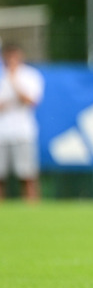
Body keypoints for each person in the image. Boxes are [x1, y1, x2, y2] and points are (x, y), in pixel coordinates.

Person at [0, 41, 44, 202]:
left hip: (23, 133)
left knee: (27, 175)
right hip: (1, 132)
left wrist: (13, 80)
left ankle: (32, 209)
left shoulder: (30, 75)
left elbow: (30, 101)